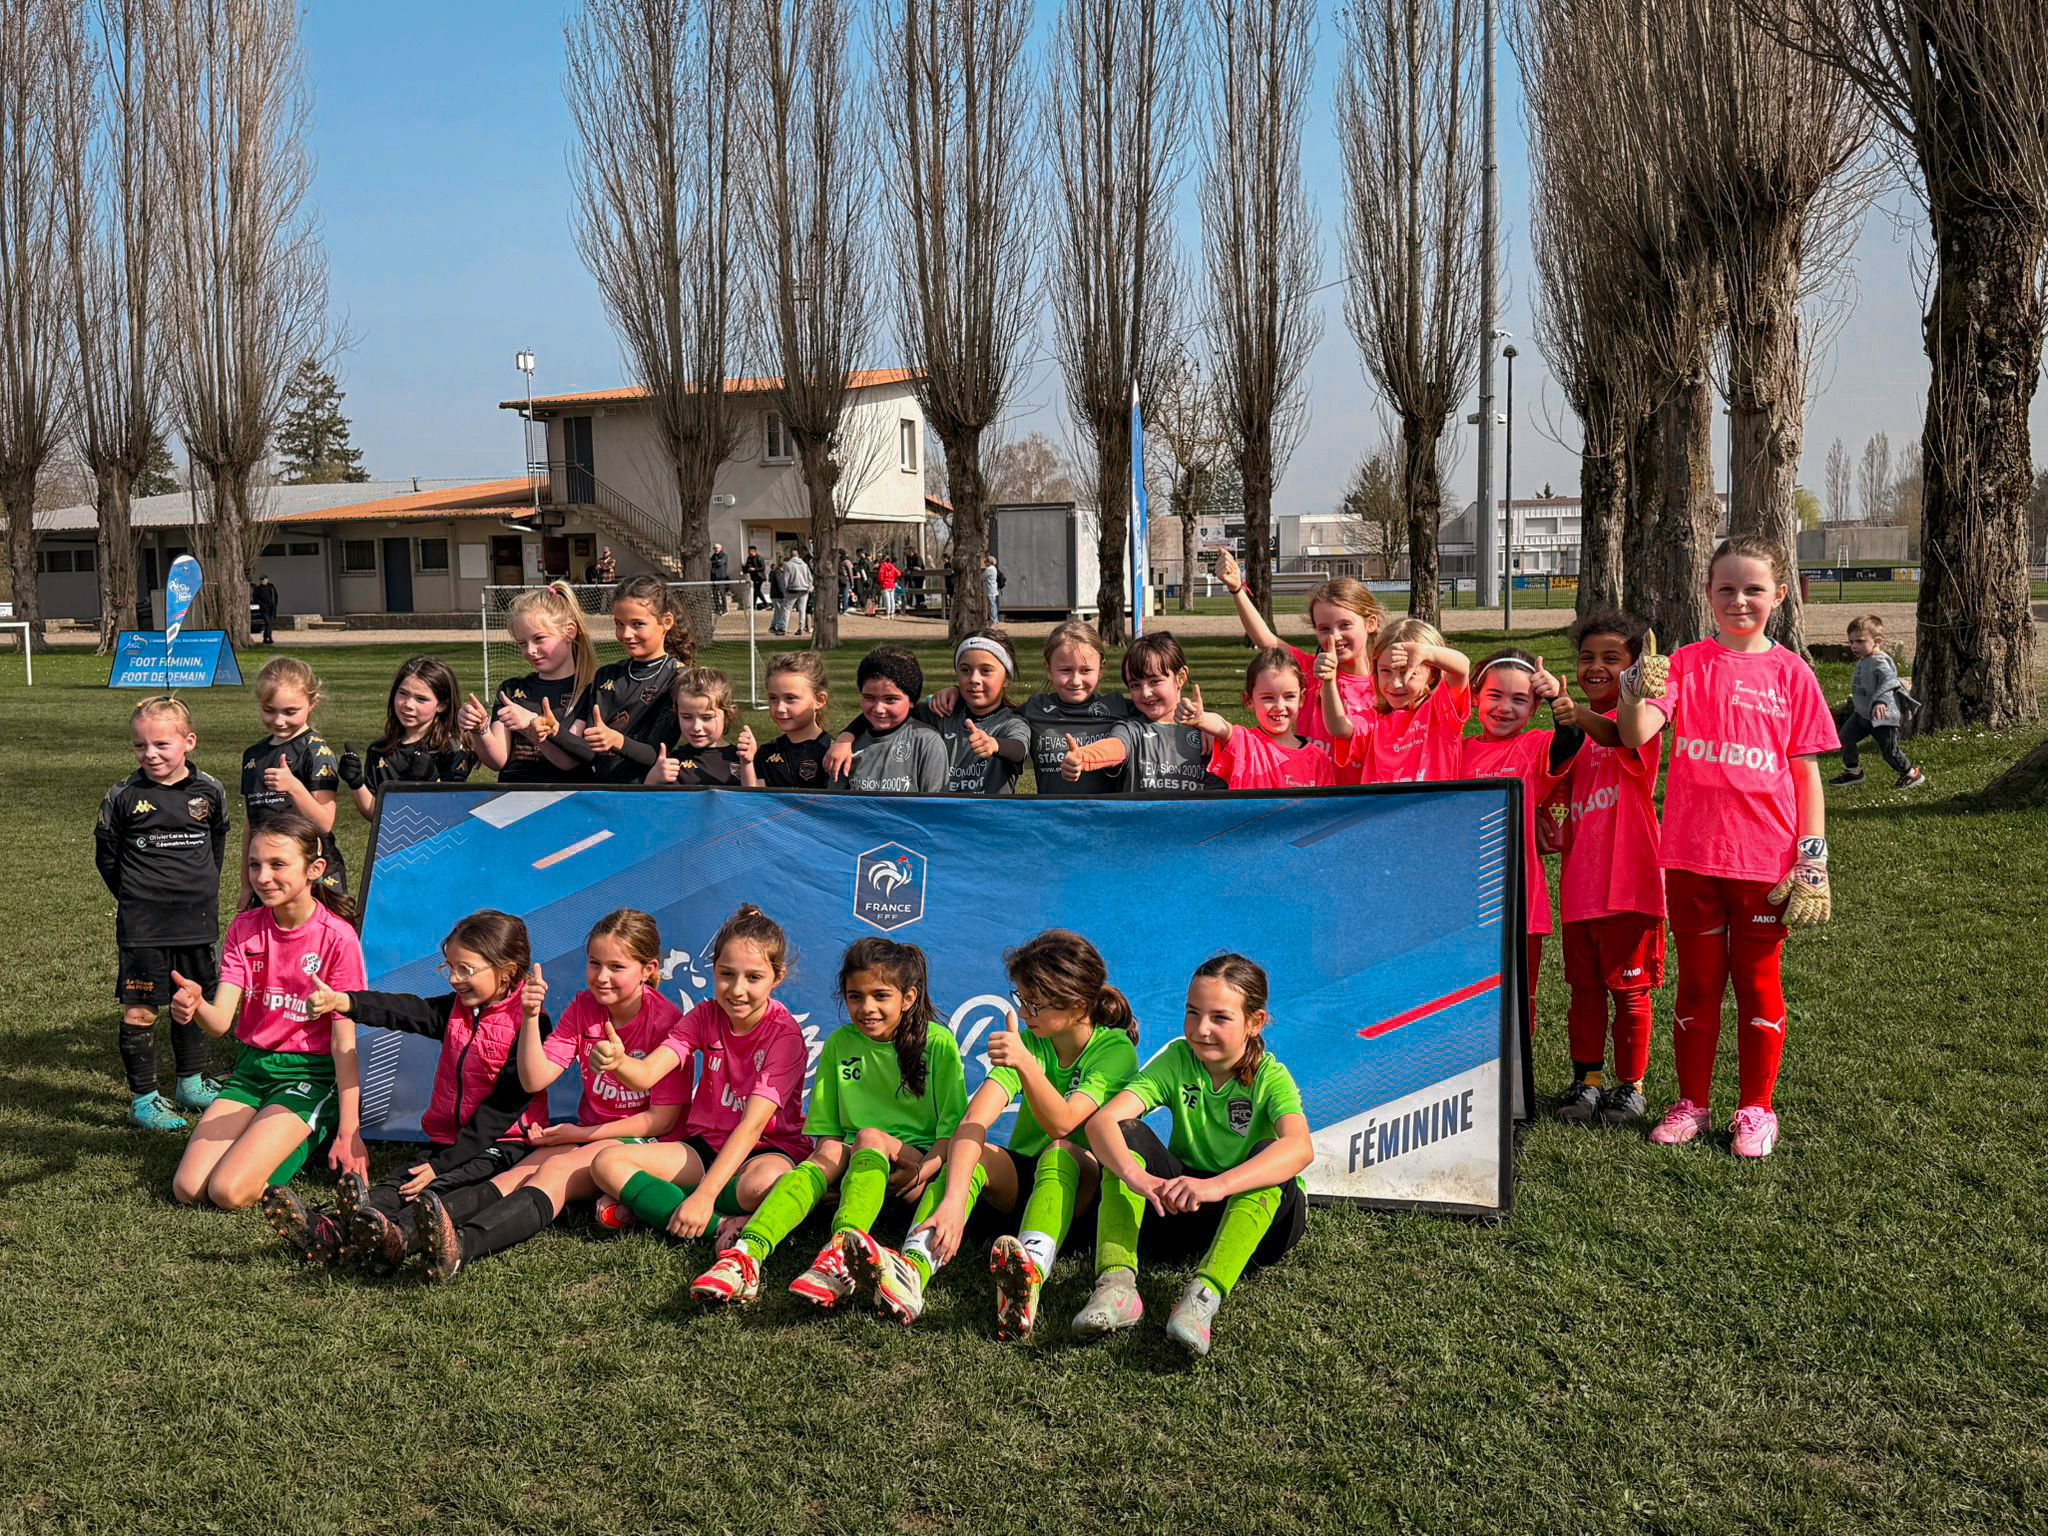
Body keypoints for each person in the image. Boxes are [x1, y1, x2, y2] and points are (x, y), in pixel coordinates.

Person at [1618, 534, 1839, 1159]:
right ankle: (1691, 1102)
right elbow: (1635, 734)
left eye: (1753, 589)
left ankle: (1756, 1109)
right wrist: (1634, 691)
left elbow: (1806, 774)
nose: (1739, 600)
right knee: (1698, 985)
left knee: (1758, 982)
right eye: (1726, 589)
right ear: (1708, 593)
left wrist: (1813, 856)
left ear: (1780, 595)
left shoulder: (1793, 673)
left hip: (1766, 861)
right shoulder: (1685, 664)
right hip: (1692, 857)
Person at [849, 931, 1140, 1335]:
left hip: (1081, 1194)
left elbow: (1064, 1124)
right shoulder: (1032, 1043)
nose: (1024, 1012)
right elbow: (974, 1120)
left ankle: (1029, 1278)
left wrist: (1025, 1063)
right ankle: (912, 1269)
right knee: (972, 1152)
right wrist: (953, 1200)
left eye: (1035, 1004)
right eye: (1022, 999)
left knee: (1059, 1149)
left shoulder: (1114, 1049)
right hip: (1024, 1185)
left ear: (1076, 1005)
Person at [259, 910, 555, 1269]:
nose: (455, 980)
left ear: (505, 971)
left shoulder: (530, 1026)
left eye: (465, 970)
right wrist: (345, 1002)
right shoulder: (459, 1010)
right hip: (452, 1140)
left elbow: (498, 1113)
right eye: (450, 968)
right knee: (401, 1181)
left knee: (438, 1186)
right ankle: (332, 1228)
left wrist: (438, 1166)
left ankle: (394, 1236)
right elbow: (406, 1011)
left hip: (502, 1145)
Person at [689, 936, 965, 1307]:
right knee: (829, 1153)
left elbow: (951, 1137)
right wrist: (828, 1177)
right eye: (855, 996)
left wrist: (918, 1174)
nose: (867, 1007)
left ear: (908, 998)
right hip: (854, 1162)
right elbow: (828, 1135)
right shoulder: (839, 1044)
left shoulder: (939, 1043)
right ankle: (747, 1254)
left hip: (913, 1169)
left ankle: (841, 1256)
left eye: (881, 996)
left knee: (869, 1137)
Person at [412, 909, 687, 1280]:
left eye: (616, 967)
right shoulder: (583, 1006)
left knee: (554, 1170)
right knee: (519, 1172)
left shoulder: (668, 1022)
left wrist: (579, 1133)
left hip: (650, 1142)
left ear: (648, 969)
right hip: (593, 1136)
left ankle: (461, 1248)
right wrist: (529, 1016)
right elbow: (534, 1079)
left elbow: (662, 1120)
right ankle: (407, 1234)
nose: (601, 977)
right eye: (594, 963)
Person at [1070, 953, 1313, 1357]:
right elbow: (1102, 1122)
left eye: (1220, 1018)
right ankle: (1116, 1286)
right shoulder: (1178, 1059)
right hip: (1184, 1211)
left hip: (1263, 1229)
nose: (1201, 1029)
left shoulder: (1271, 1076)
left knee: (1272, 1155)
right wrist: (1135, 1175)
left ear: (1254, 1022)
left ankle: (1202, 1298)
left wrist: (1217, 1186)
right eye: (1192, 1012)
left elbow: (1300, 1148)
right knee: (1126, 1135)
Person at [168, 814, 367, 1209]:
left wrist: (351, 1130)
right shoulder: (244, 928)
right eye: (254, 864)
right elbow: (219, 1022)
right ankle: (264, 1137)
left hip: (309, 1074)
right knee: (188, 1188)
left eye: (278, 865)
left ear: (314, 870)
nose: (262, 877)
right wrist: (195, 1005)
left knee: (228, 1192)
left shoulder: (338, 939)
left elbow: (345, 1043)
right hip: (250, 1072)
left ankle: (313, 1131)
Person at [588, 905, 811, 1246]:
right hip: (705, 1148)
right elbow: (646, 1074)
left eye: (753, 977)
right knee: (606, 1163)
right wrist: (619, 1062)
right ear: (714, 969)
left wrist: (705, 1195)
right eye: (726, 974)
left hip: (764, 1151)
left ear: (777, 977)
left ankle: (658, 1202)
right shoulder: (705, 1015)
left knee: (766, 1182)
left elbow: (751, 1126)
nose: (737, 990)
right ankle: (721, 1226)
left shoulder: (785, 1035)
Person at [95, 696, 231, 1131]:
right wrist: (137, 897)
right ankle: (144, 1100)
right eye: (140, 745)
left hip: (196, 921)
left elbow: (217, 845)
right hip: (144, 925)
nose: (150, 754)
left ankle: (190, 1083)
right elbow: (107, 856)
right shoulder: (123, 795)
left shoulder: (210, 791)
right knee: (141, 1009)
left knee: (191, 1000)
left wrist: (198, 890)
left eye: (160, 744)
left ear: (189, 742)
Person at [1553, 612, 1665, 1127]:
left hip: (1631, 886)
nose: (1596, 666)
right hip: (1580, 887)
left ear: (1636, 668)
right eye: (1587, 657)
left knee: (1630, 991)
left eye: (1611, 658)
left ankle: (1631, 1085)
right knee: (1585, 990)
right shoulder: (1572, 732)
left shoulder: (1642, 719)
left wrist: (1578, 715)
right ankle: (1589, 1081)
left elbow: (1619, 735)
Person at [1459, 649, 1586, 1030]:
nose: (1505, 708)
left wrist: (1558, 700)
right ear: (1475, 697)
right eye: (1495, 695)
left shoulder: (1533, 746)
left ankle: (1517, 1068)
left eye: (1519, 700)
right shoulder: (1456, 750)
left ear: (1533, 710)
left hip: (1520, 901)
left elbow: (1571, 739)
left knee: (1517, 999)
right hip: (1465, 904)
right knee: (1468, 1000)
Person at [1213, 549, 1380, 779]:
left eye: (1345, 625)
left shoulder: (1387, 682)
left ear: (1370, 623)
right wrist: (1236, 589)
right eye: (1324, 628)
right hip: (1310, 790)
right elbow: (1267, 641)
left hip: (1363, 795)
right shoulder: (1309, 670)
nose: (1335, 636)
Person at [542, 574, 690, 784]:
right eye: (619, 624)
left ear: (666, 622)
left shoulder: (678, 680)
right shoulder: (606, 675)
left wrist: (617, 740)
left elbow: (656, 754)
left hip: (647, 792)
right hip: (601, 793)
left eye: (637, 624)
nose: (626, 634)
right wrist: (555, 731)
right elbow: (590, 753)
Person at [459, 582, 597, 783]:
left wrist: (532, 724)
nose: (530, 650)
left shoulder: (588, 690)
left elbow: (570, 763)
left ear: (569, 632)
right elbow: (497, 761)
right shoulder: (511, 689)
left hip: (566, 798)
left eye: (539, 639)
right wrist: (480, 729)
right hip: (513, 798)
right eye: (522, 643)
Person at [239, 656, 345, 896]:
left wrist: (293, 787)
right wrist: (246, 884)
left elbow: (324, 823)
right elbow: (250, 823)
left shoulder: (316, 752)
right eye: (269, 710)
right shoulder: (253, 755)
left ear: (313, 703)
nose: (279, 721)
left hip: (313, 879)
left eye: (290, 712)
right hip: (267, 877)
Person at [1324, 618, 1472, 783]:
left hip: (1433, 801)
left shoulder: (1441, 711)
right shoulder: (1373, 720)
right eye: (1386, 671)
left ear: (1433, 675)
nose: (1395, 684)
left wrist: (1426, 653)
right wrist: (1328, 681)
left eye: (1407, 672)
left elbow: (1462, 668)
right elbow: (1338, 728)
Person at [1179, 648, 1338, 791]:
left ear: (1301, 698)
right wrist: (1201, 718)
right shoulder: (1243, 742)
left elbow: (1327, 809)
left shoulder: (1319, 760)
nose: (1279, 706)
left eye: (1289, 696)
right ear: (1249, 700)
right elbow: (1222, 727)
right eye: (1268, 698)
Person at [338, 656, 474, 820]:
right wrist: (356, 784)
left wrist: (433, 780)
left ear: (442, 705)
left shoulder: (452, 748)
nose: (408, 705)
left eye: (421, 699)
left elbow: (454, 811)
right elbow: (376, 815)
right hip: (394, 836)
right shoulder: (379, 749)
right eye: (403, 693)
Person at [1832, 614, 1925, 790]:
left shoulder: (1880, 661)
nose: (1854, 646)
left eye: (1860, 641)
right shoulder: (1864, 659)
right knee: (1844, 738)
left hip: (1882, 717)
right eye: (1851, 642)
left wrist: (1881, 701)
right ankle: (1853, 772)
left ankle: (1910, 774)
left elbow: (1890, 681)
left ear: (1877, 641)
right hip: (1862, 715)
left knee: (1889, 751)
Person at [840, 646, 949, 793]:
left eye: (890, 699)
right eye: (869, 697)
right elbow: (835, 803)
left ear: (911, 700)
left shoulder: (926, 742)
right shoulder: (846, 747)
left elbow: (936, 803)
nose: (879, 709)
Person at [744, 651, 834, 789]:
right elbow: (754, 798)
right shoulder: (766, 753)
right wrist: (747, 762)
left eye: (790, 698)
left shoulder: (832, 752)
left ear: (820, 700)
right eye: (773, 698)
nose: (780, 708)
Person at [647, 666, 747, 786]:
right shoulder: (671, 763)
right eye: (687, 717)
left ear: (728, 714)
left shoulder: (742, 759)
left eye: (707, 717)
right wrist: (653, 779)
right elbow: (646, 797)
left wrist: (748, 766)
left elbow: (755, 795)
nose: (696, 727)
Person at [785, 546, 814, 634]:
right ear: (798, 555)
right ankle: (801, 627)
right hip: (804, 589)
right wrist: (809, 588)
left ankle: (784, 627)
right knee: (802, 610)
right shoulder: (804, 565)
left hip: (792, 589)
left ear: (790, 555)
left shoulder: (788, 565)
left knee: (787, 609)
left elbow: (786, 579)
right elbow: (810, 578)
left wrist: (784, 589)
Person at [252, 575, 279, 646]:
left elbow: (275, 596)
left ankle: (265, 638)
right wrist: (262, 605)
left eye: (264, 579)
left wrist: (275, 604)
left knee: (269, 623)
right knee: (268, 623)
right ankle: (268, 637)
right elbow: (255, 598)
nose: (263, 581)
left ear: (267, 580)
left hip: (271, 608)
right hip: (264, 609)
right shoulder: (258, 589)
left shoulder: (271, 587)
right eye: (262, 580)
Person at [767, 553, 790, 636]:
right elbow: (780, 585)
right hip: (777, 595)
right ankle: (777, 626)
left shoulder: (776, 572)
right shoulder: (778, 573)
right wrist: (783, 595)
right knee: (780, 611)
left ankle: (773, 626)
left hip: (775, 595)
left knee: (777, 611)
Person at [709, 543, 731, 614]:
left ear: (720, 548)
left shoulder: (724, 556)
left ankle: (725, 609)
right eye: (714, 548)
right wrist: (715, 561)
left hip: (721, 578)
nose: (715, 549)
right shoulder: (713, 556)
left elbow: (720, 563)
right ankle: (717, 608)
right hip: (714, 577)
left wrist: (713, 562)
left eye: (717, 548)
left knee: (722, 594)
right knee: (715, 593)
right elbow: (709, 562)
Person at [743, 545, 767, 611]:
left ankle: (763, 604)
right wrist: (745, 570)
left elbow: (762, 567)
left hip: (759, 577)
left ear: (754, 552)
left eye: (750, 553)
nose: (749, 554)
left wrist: (755, 569)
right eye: (748, 552)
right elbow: (747, 566)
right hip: (753, 577)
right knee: (756, 591)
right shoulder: (749, 558)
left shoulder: (759, 557)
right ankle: (759, 605)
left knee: (757, 591)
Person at [877, 553, 900, 617]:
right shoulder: (892, 566)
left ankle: (887, 614)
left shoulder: (883, 567)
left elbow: (880, 577)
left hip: (885, 585)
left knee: (887, 600)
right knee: (892, 599)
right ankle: (892, 613)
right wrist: (894, 579)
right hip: (892, 585)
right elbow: (899, 573)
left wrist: (881, 582)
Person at [982, 552, 1002, 624]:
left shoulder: (989, 569)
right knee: (994, 605)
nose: (985, 564)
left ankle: (993, 620)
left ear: (989, 562)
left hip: (990, 590)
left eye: (986, 562)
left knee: (991, 605)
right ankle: (995, 619)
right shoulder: (994, 568)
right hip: (993, 589)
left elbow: (982, 577)